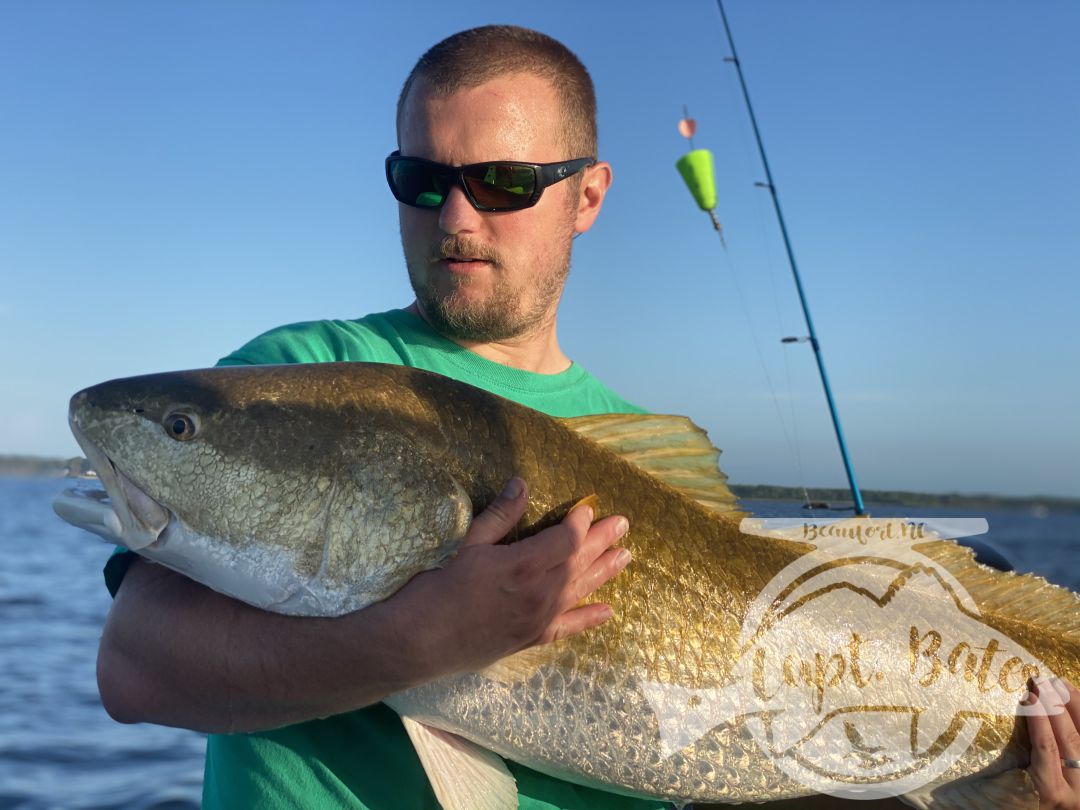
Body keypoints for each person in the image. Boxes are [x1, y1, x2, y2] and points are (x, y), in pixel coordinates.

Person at [95, 24, 1080, 810]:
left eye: (505, 182)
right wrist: (428, 636)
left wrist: (986, 789)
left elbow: (777, 773)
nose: (456, 217)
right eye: (422, 180)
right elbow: (138, 672)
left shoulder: (644, 452)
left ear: (590, 195)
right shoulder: (299, 373)